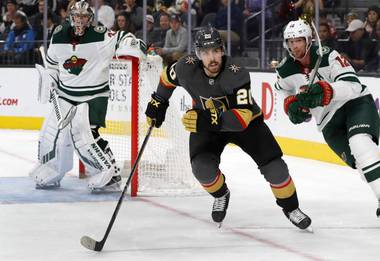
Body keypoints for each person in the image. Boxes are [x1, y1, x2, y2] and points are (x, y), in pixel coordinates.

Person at [145, 25, 312, 230]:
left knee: (276, 169)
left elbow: (241, 118)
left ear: (223, 50)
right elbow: (166, 78)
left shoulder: (237, 73)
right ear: (198, 54)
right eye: (206, 52)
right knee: (202, 170)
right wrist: (158, 101)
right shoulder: (185, 67)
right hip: (208, 125)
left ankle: (291, 208)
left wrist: (205, 120)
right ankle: (221, 194)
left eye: (216, 50)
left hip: (247, 125)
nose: (212, 57)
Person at [29, 0, 146, 192]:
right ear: (70, 18)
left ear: (90, 18)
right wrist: (51, 78)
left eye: (84, 16)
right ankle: (52, 171)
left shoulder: (100, 35)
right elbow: (51, 64)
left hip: (94, 95)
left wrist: (131, 43)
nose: (80, 20)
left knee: (85, 133)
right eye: (77, 16)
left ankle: (111, 174)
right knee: (50, 132)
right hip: (66, 94)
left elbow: (122, 36)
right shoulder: (58, 35)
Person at [274, 19, 380, 217]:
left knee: (361, 145)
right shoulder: (285, 69)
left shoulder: (328, 56)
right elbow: (281, 89)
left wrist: (326, 90)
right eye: (290, 41)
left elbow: (353, 85)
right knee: (362, 164)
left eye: (298, 40)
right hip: (328, 123)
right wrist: (290, 105)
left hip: (355, 105)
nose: (294, 45)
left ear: (309, 40)